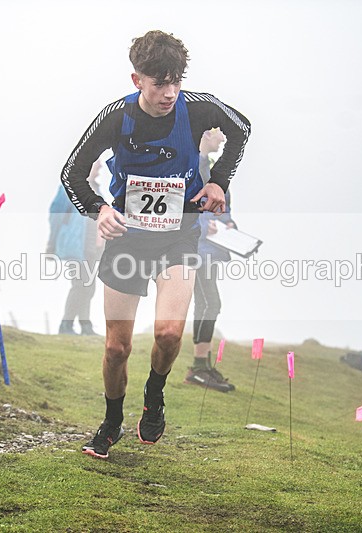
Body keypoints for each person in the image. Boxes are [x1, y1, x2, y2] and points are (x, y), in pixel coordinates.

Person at [61, 30, 250, 459]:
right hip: (127, 240)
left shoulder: (198, 108)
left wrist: (219, 181)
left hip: (179, 236)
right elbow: (71, 172)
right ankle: (112, 422)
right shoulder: (116, 117)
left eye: (175, 82)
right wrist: (99, 209)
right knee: (116, 348)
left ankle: (155, 394)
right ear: (137, 80)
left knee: (167, 334)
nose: (169, 93)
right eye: (159, 83)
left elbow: (242, 129)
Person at [184, 128, 236, 393]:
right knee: (209, 303)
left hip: (212, 250)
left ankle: (202, 366)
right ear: (205, 135)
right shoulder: (191, 165)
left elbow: (224, 210)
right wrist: (207, 228)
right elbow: (183, 206)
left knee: (207, 303)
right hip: (196, 249)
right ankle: (198, 368)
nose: (224, 139)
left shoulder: (215, 170)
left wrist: (231, 227)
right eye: (219, 134)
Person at [47, 161, 105, 336]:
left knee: (88, 287)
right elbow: (55, 215)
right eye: (97, 164)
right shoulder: (69, 187)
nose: (101, 167)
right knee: (80, 285)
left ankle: (85, 325)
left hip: (92, 248)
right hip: (75, 246)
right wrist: (52, 244)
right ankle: (66, 326)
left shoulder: (97, 189)